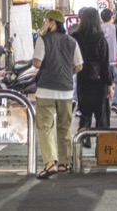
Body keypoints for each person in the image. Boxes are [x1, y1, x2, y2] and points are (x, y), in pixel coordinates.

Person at [33, 9, 83, 178]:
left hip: (45, 90)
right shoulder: (71, 41)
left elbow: (37, 63)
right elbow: (79, 66)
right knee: (64, 127)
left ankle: (49, 164)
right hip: (66, 91)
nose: (44, 24)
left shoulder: (43, 40)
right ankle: (64, 163)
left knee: (45, 128)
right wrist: (67, 73)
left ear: (53, 23)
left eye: (46, 20)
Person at [71, 8, 113, 148]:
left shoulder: (75, 37)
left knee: (85, 113)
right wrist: (109, 84)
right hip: (98, 81)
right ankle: (103, 149)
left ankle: (84, 139)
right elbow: (105, 63)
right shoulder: (100, 38)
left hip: (82, 80)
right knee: (102, 117)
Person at [100, 8, 117, 116]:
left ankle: (103, 103)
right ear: (112, 17)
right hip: (115, 61)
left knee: (103, 82)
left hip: (102, 61)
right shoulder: (116, 28)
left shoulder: (98, 29)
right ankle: (115, 103)